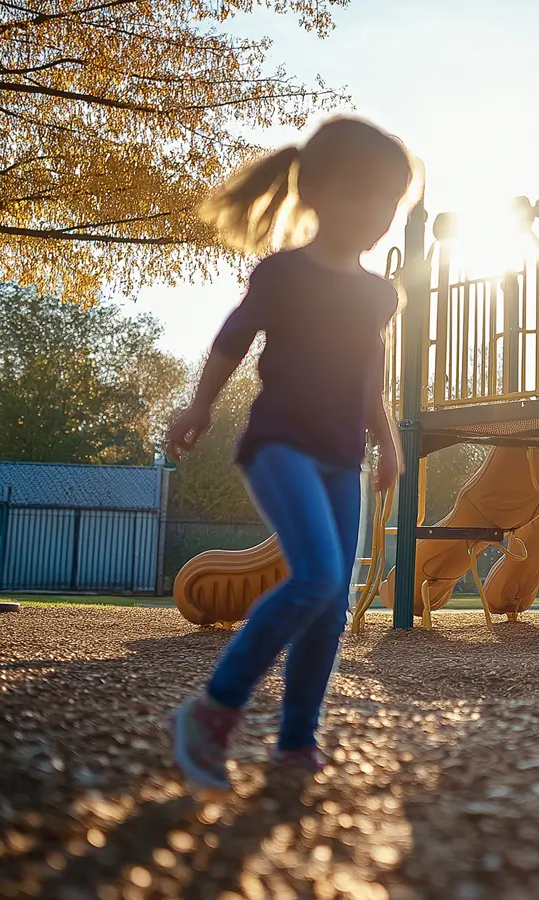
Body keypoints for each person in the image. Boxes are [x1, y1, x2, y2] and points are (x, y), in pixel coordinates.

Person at [164, 117, 416, 790]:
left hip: (342, 458)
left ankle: (296, 744)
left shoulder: (377, 293)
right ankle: (213, 711)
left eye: (388, 202)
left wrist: (386, 438)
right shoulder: (282, 273)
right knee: (314, 577)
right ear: (315, 195)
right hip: (278, 446)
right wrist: (199, 404)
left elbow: (370, 373)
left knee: (330, 605)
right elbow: (231, 339)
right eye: (360, 196)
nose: (376, 215)